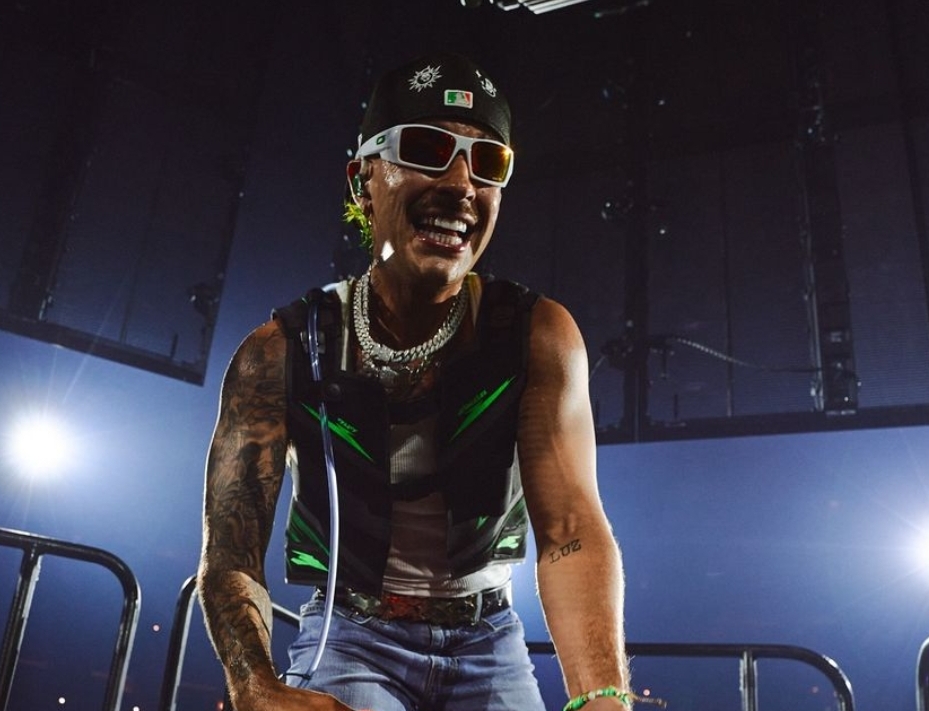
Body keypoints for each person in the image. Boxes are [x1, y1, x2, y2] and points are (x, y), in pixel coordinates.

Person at [198, 52, 632, 711]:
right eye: (427, 150)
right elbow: (231, 550)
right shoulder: (282, 350)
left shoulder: (537, 334)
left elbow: (571, 527)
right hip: (349, 636)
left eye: (488, 162)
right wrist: (256, 688)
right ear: (363, 180)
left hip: (490, 638)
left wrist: (602, 695)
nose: (461, 184)